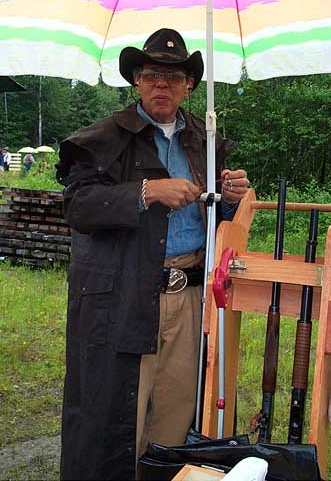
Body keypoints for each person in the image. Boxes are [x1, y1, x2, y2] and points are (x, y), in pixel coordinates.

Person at [56, 28, 249, 481]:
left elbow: (214, 215)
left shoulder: (205, 139)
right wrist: (146, 191)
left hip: (188, 299)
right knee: (116, 417)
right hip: (122, 299)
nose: (161, 85)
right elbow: (78, 207)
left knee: (176, 414)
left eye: (172, 77)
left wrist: (231, 196)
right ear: (137, 83)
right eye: (151, 76)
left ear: (189, 86)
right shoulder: (101, 138)